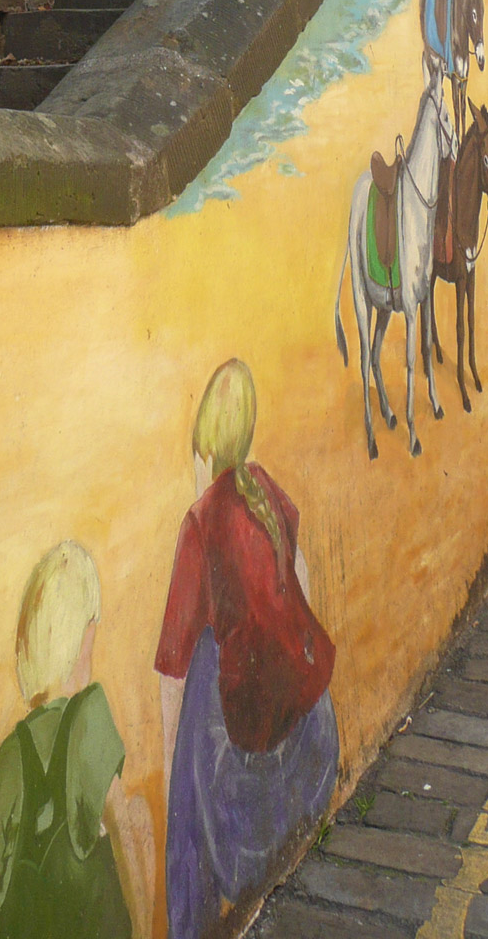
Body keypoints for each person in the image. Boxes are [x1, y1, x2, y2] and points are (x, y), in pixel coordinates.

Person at [156, 360, 339, 939]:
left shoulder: (202, 519)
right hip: (309, 739)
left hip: (241, 764)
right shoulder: (266, 490)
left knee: (196, 687)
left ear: (204, 442)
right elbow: (299, 576)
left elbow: (172, 665)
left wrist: (174, 778)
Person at [0, 542, 153, 939]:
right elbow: (125, 835)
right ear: (82, 636)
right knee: (142, 813)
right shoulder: (92, 722)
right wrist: (145, 924)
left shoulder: (13, 752)